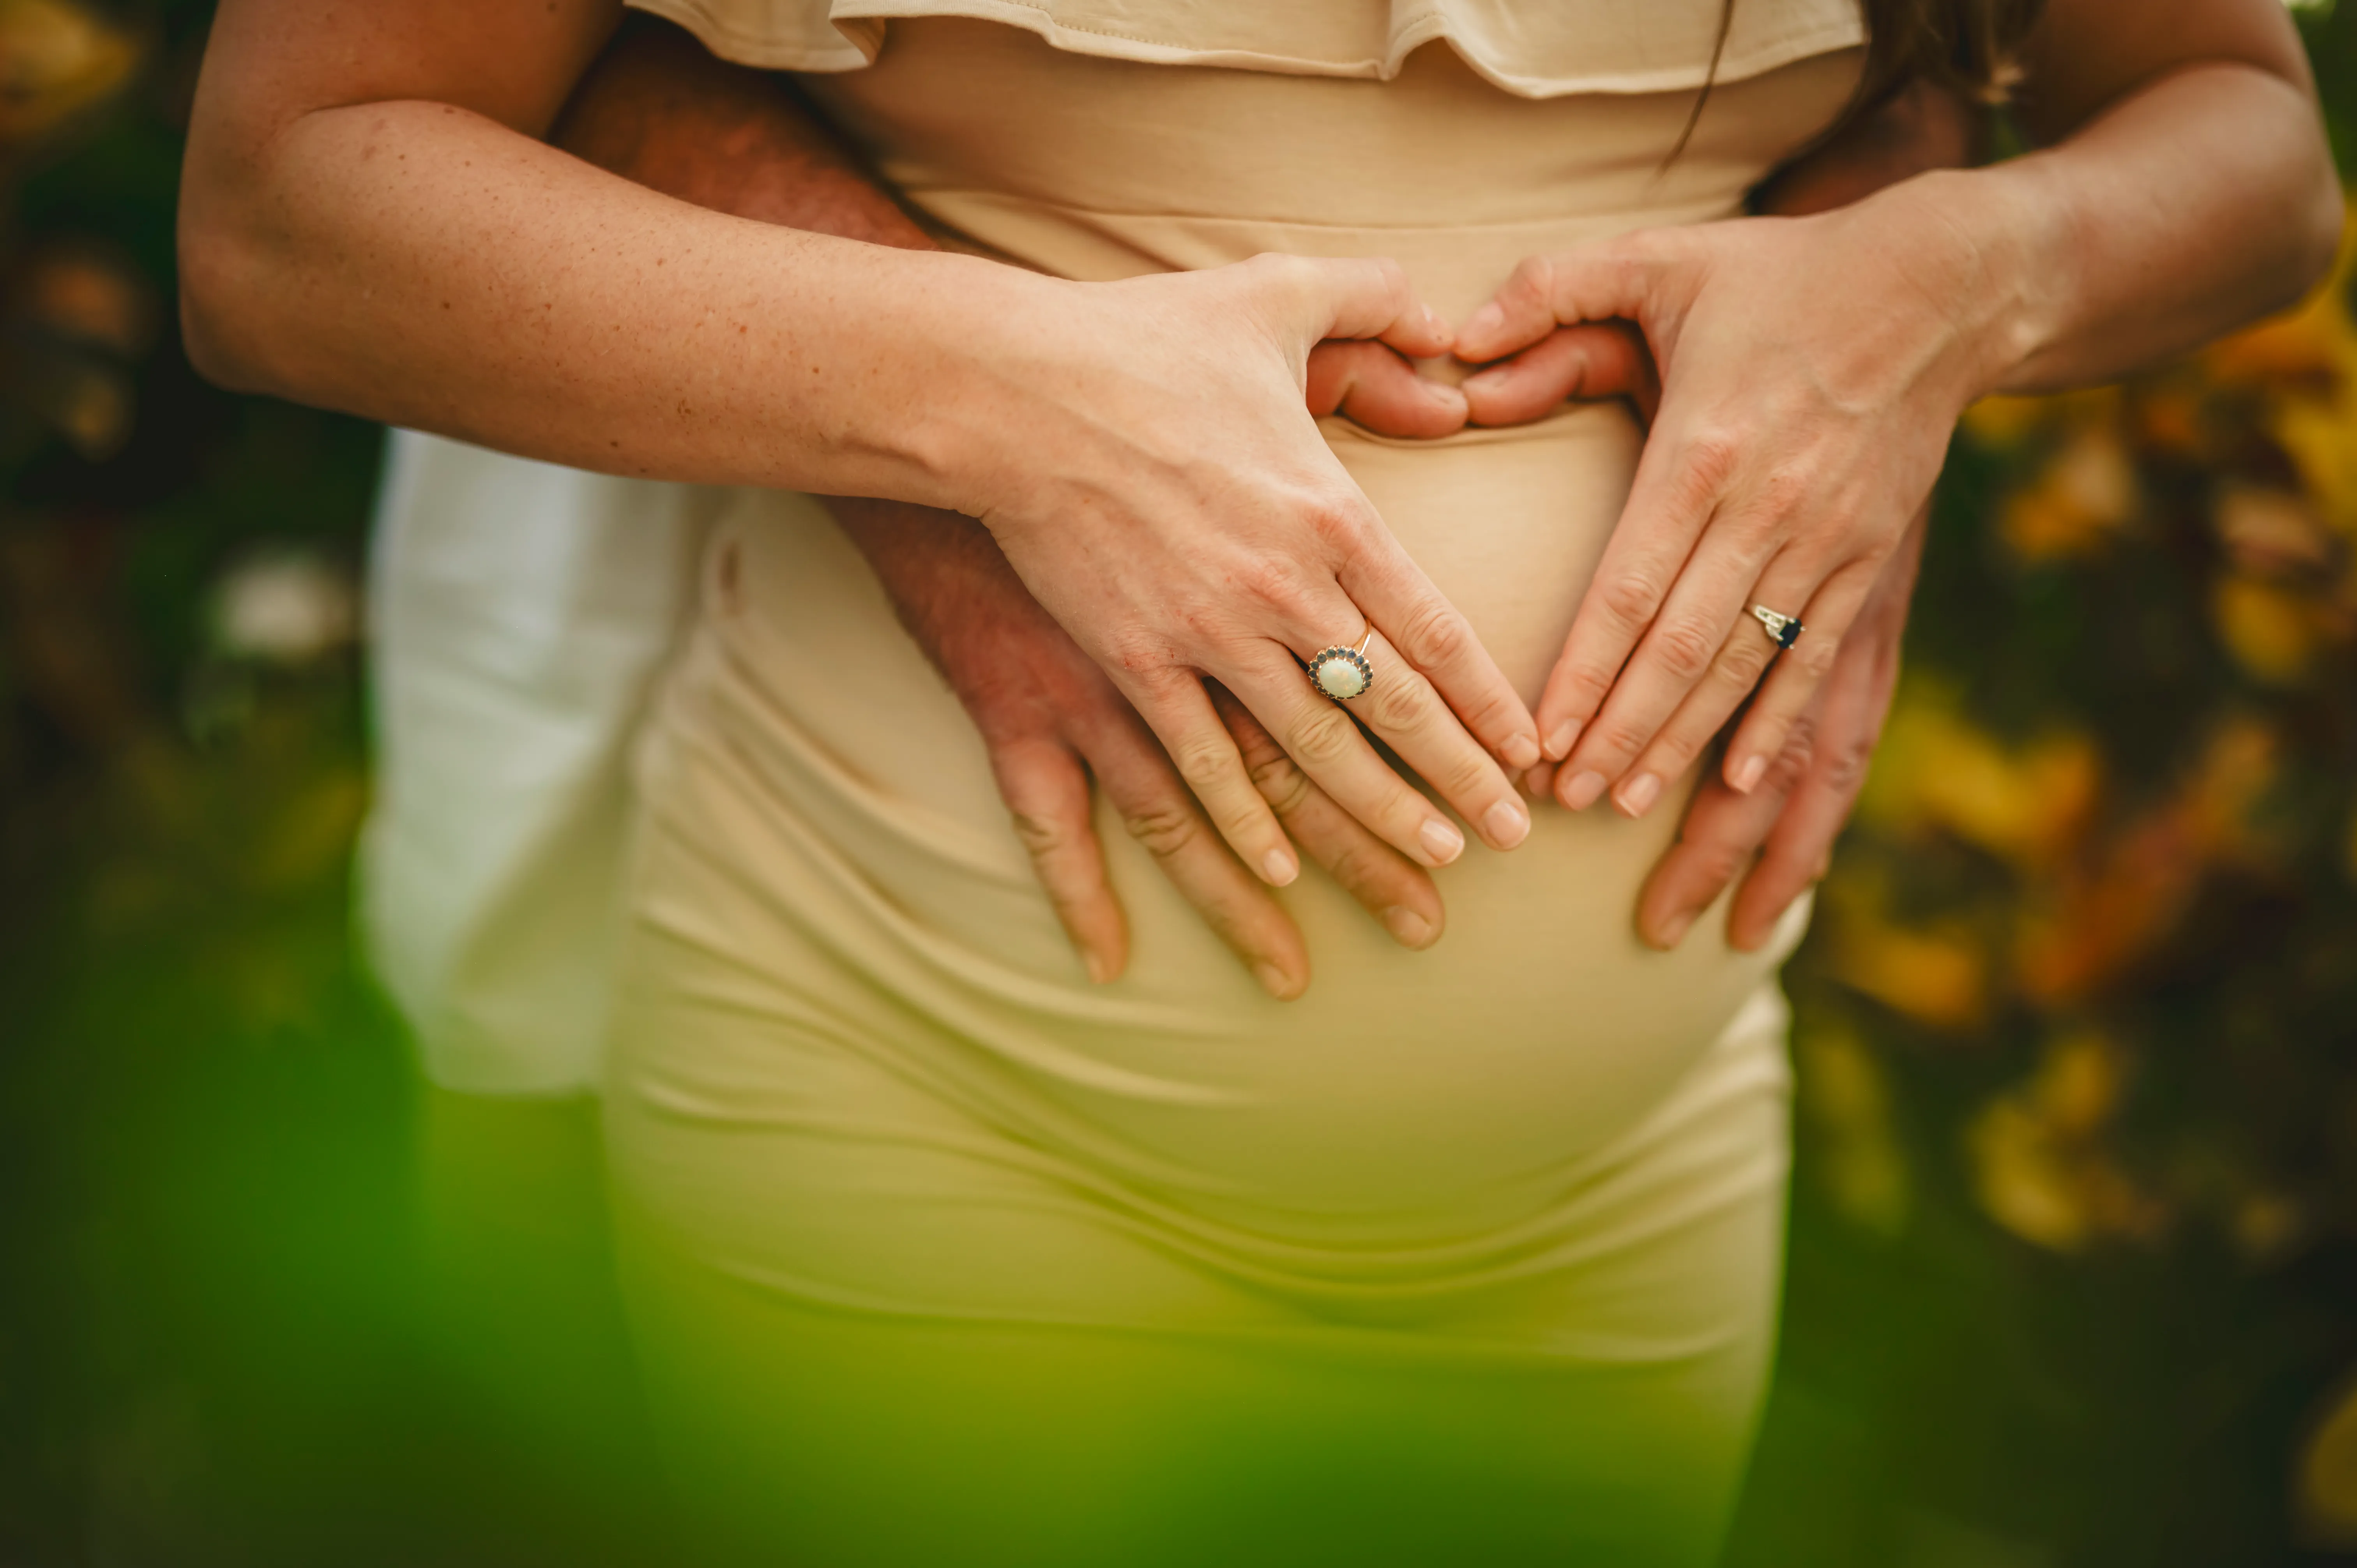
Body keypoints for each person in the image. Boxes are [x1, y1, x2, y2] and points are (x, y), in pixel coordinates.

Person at [178, 1, 2340, 1562]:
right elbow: (286, 204)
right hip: (926, 1120)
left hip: (1634, 1184)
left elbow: (2249, 140)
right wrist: (1014, 407)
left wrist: (1948, 288)